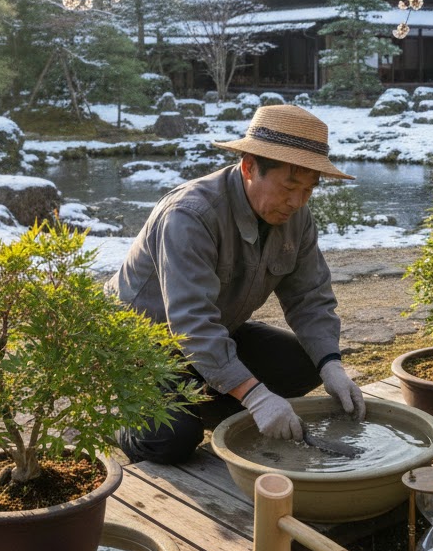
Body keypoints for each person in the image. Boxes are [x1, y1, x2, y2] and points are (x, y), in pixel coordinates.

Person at [105, 103, 366, 464]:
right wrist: (256, 395)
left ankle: (211, 391)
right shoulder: (190, 215)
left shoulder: (298, 217)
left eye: (309, 189)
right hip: (144, 349)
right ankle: (119, 412)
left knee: (309, 362)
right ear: (249, 166)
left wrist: (332, 365)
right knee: (172, 439)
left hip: (216, 332)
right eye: (290, 185)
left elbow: (310, 297)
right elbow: (191, 323)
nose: (297, 201)